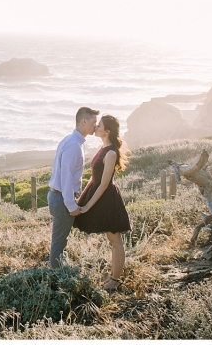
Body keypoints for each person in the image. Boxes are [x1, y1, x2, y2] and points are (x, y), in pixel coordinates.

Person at [73, 114, 131, 291]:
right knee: (112, 240)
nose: (96, 127)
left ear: (107, 131)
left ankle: (114, 281)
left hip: (107, 200)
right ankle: (113, 278)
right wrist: (82, 198)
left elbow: (104, 184)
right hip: (98, 194)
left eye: (99, 126)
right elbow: (94, 179)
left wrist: (88, 205)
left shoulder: (111, 152)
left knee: (115, 240)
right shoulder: (103, 148)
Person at [48, 107, 99, 269]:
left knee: (60, 240)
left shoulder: (70, 140)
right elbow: (66, 179)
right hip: (62, 198)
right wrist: (71, 205)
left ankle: (57, 272)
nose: (95, 126)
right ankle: (55, 279)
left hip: (58, 196)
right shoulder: (74, 146)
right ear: (84, 122)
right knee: (59, 242)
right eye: (93, 122)